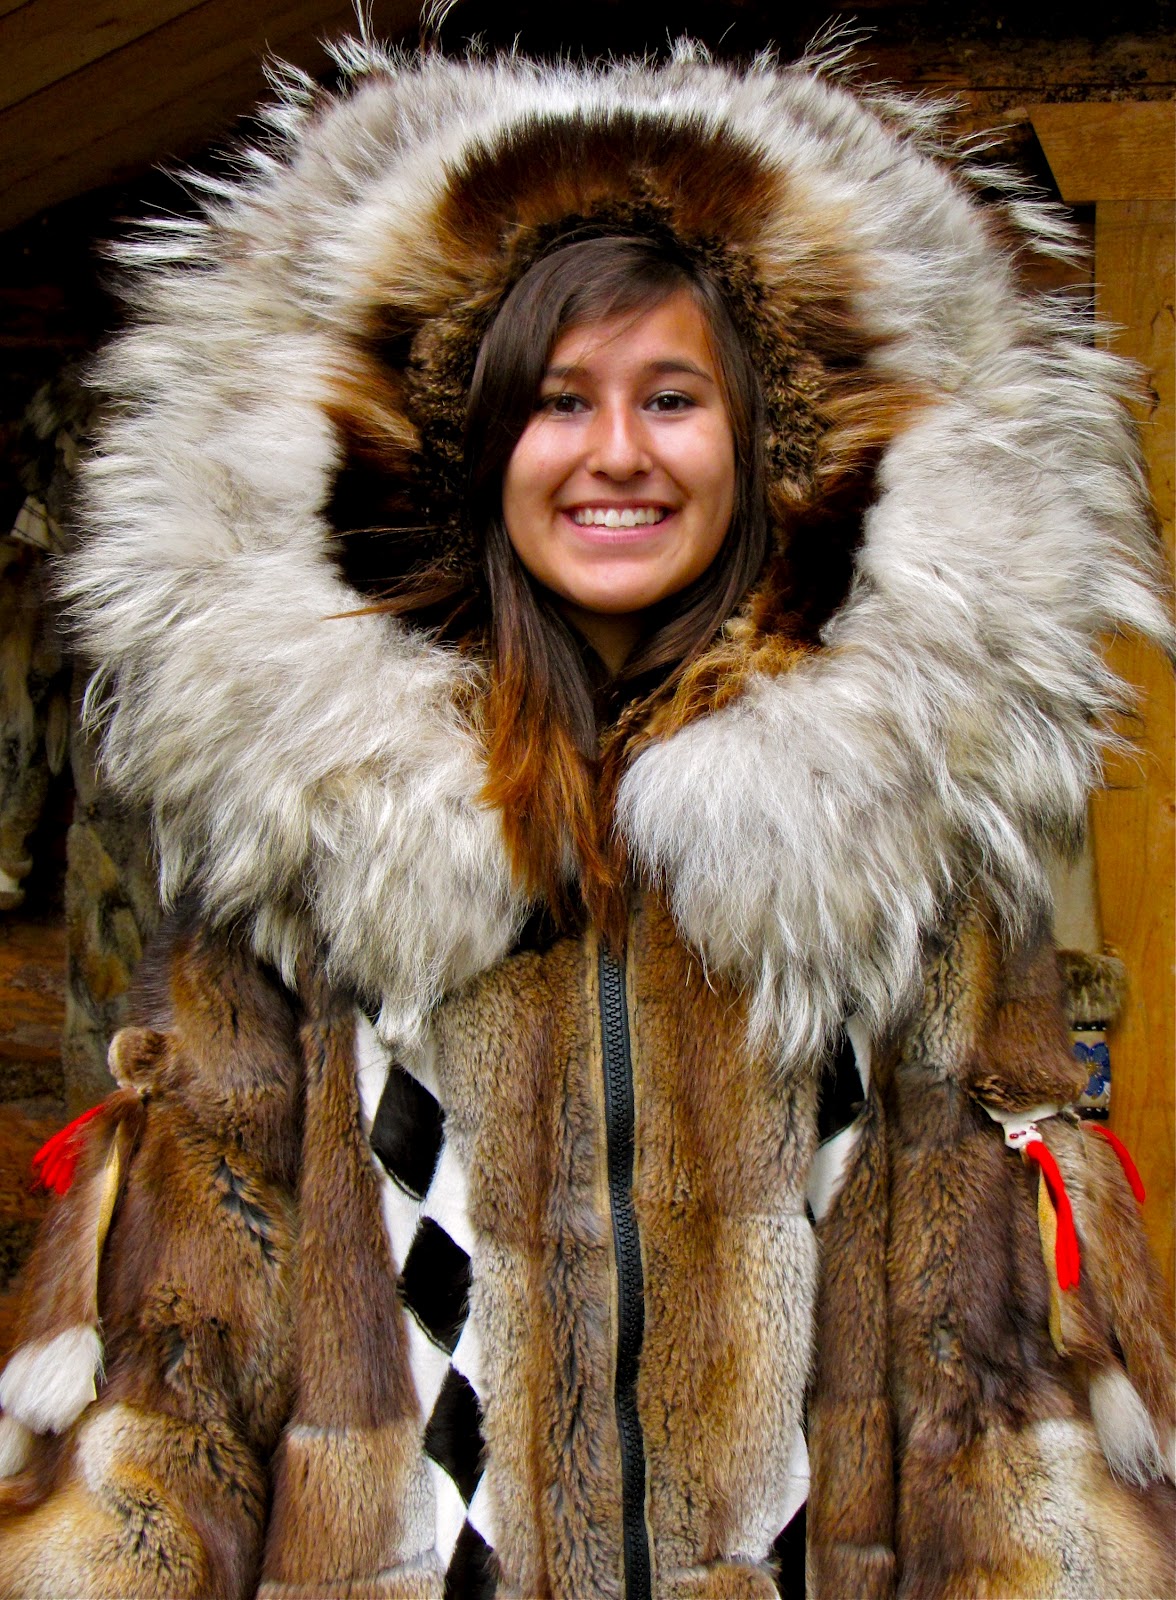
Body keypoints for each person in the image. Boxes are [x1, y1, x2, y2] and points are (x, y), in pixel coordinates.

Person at [0, 37, 1173, 1600]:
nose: (616, 453)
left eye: (673, 395)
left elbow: (992, 1369)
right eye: (559, 401)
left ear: (764, 438)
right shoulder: (321, 822)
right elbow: (185, 1364)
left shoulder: (901, 842)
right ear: (480, 448)